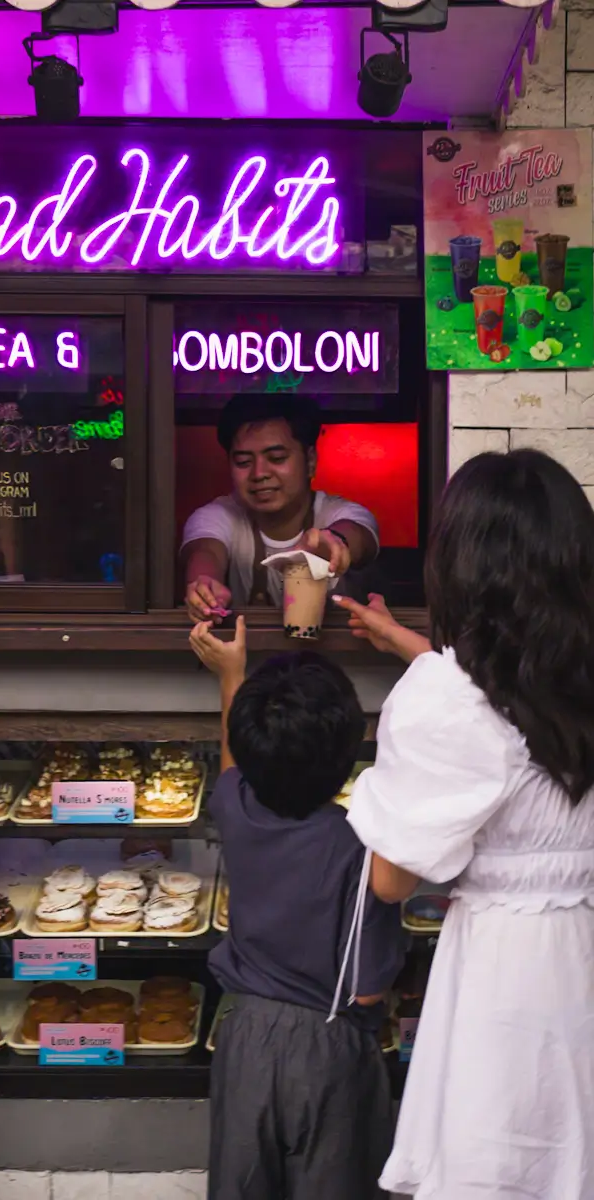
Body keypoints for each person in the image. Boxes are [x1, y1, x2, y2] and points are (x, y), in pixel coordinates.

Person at [333, 448, 594, 1200]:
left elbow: (390, 878)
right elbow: (518, 713)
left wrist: (393, 757)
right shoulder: (569, 677)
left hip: (506, 975)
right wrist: (409, 649)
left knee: (506, 1156)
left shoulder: (445, 698)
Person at [190, 616, 406, 1200]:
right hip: (329, 1049)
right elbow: (366, 993)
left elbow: (235, 766)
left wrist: (231, 673)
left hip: (243, 1038)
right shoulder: (361, 848)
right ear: (345, 756)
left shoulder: (235, 809)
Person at [182, 395, 379, 623]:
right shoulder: (217, 515)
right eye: (244, 462)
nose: (259, 474)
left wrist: (334, 544)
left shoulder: (341, 513)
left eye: (276, 458)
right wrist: (203, 586)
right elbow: (205, 553)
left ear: (310, 460)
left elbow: (357, 535)